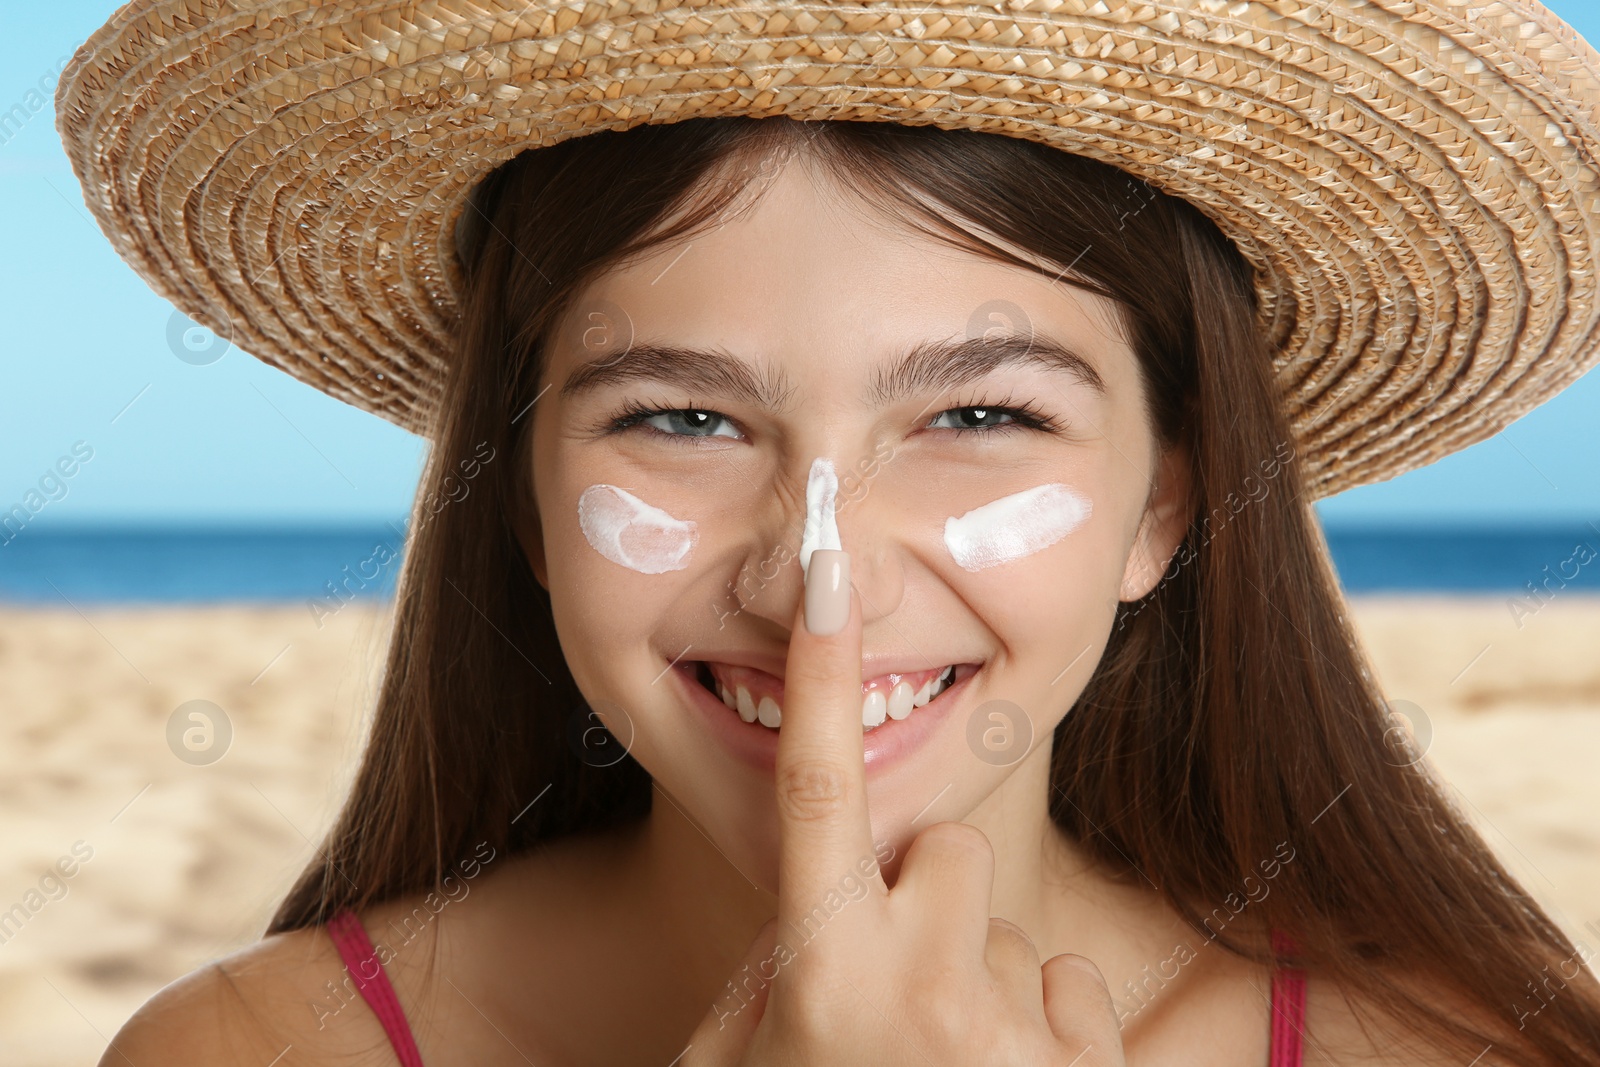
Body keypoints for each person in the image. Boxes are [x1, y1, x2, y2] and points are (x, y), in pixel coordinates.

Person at [55, 2, 1600, 1064]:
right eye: (682, 419)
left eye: (982, 418)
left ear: (1168, 505)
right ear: (518, 499)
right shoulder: (247, 1050)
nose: (822, 579)